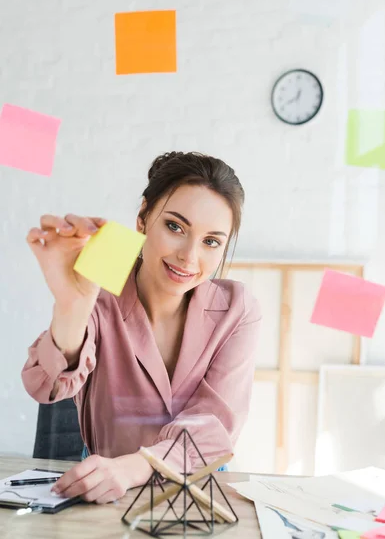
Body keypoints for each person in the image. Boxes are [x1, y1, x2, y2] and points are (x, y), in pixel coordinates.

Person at [22, 151, 262, 504]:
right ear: (142, 219)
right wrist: (71, 307)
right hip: (104, 491)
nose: (189, 257)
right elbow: (44, 386)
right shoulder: (99, 289)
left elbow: (214, 427)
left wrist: (137, 467)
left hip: (199, 491)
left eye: (211, 241)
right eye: (175, 227)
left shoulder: (236, 308)